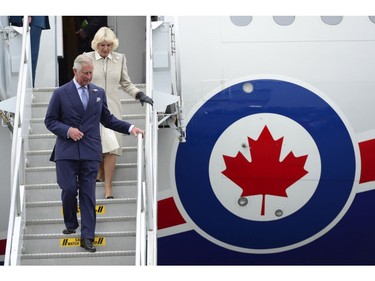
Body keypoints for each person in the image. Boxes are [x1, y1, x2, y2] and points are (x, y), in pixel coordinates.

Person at [44, 54, 144, 253]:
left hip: (90, 151)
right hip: (67, 151)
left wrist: (130, 127)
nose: (89, 77)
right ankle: (71, 222)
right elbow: (50, 121)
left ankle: (87, 237)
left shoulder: (98, 92)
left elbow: (108, 119)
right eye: (85, 73)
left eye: (91, 73)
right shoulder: (60, 93)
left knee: (88, 195)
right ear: (75, 72)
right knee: (70, 189)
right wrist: (68, 130)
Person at [85, 26, 153, 199]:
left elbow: (126, 83)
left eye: (108, 45)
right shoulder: (87, 58)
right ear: (96, 45)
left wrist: (140, 94)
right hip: (91, 107)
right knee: (97, 145)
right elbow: (80, 82)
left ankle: (108, 188)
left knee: (112, 147)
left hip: (112, 108)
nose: (105, 49)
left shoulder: (120, 59)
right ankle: (99, 171)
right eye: (102, 45)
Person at [9, 16, 50, 86]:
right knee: (17, 57)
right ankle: (22, 88)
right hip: (18, 19)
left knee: (30, 57)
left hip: (31, 19)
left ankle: (29, 89)